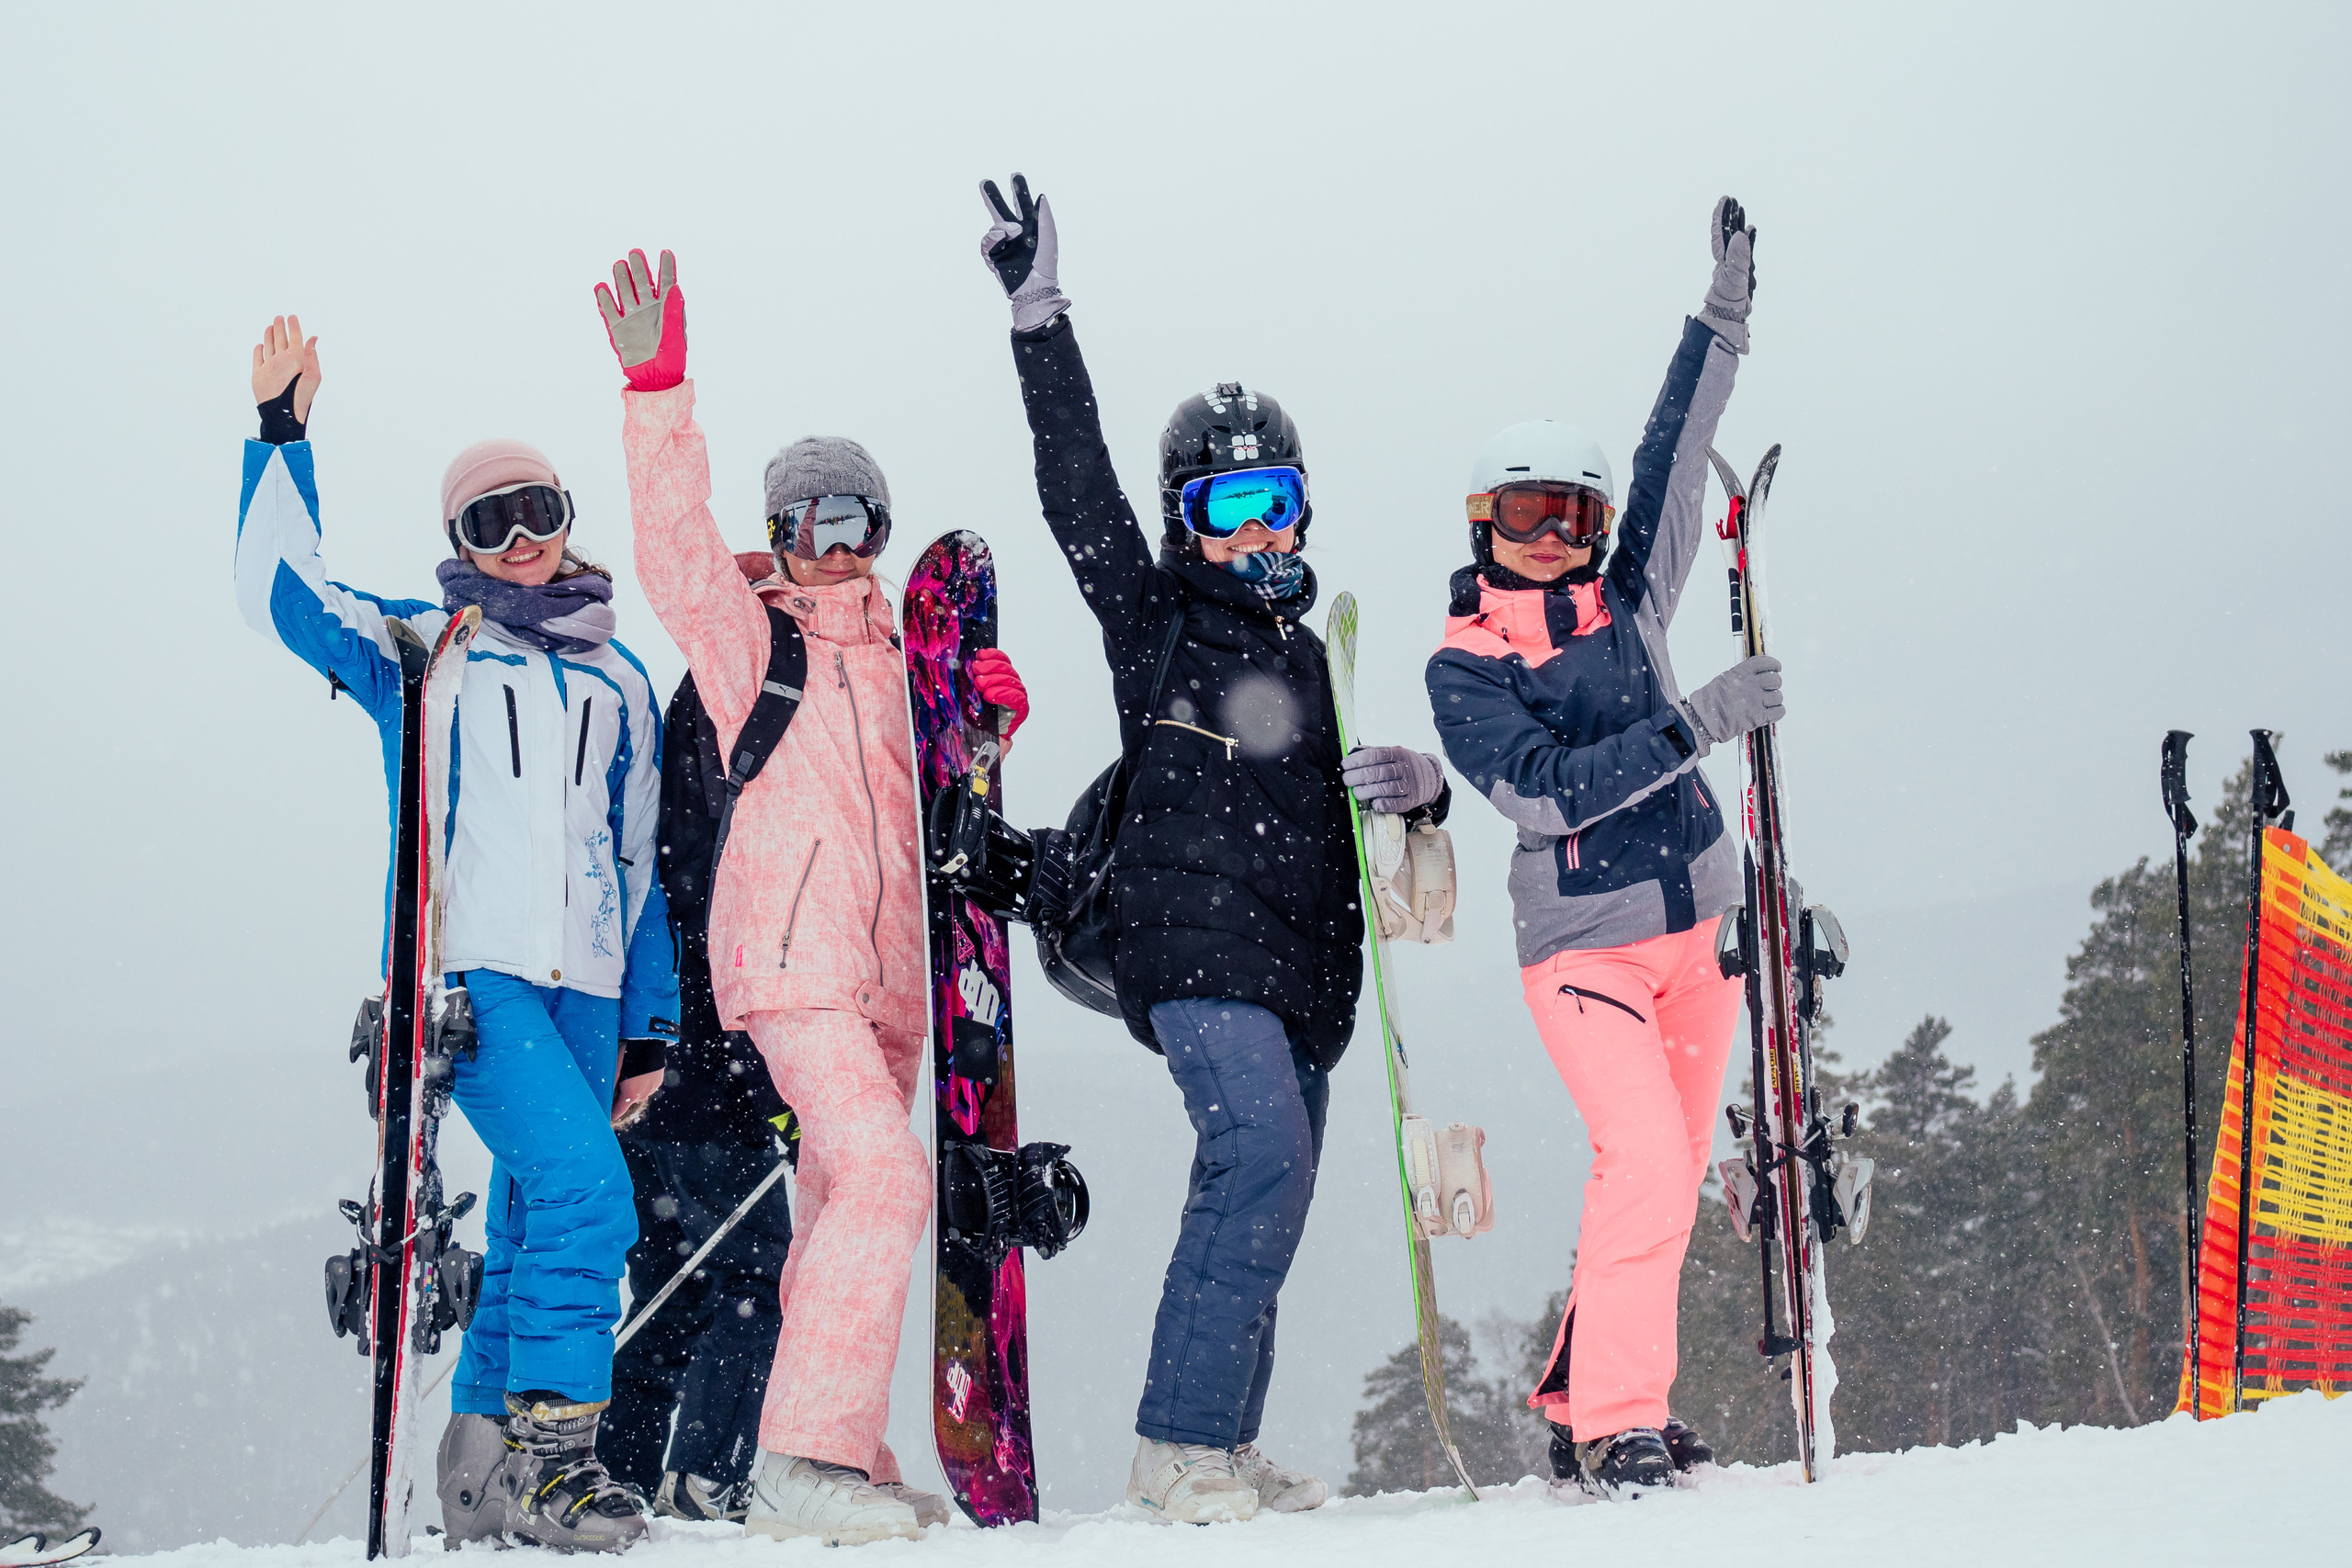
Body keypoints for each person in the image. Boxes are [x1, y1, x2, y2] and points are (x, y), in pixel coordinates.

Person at [972, 175, 1449, 1524]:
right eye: (1230, 505)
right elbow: (1077, 492)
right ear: (1188, 518)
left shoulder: (1316, 653)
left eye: (1278, 501)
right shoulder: (1159, 621)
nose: (1259, 531)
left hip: (1303, 967)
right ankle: (1175, 1446)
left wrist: (1421, 787)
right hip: (1196, 951)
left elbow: (1364, 812)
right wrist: (1037, 316)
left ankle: (1224, 1442)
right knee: (1262, 1157)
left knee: (1267, 1186)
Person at [594, 249, 1032, 1545]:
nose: (836, 548)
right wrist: (658, 390)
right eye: (811, 523)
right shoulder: (756, 643)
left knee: (850, 1203)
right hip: (790, 964)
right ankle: (799, 1455)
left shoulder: (910, 661)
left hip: (896, 973)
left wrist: (991, 713)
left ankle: (846, 1447)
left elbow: (949, 790)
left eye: (859, 524)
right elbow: (675, 552)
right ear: (781, 534)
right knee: (892, 1181)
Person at [232, 317, 673, 1551]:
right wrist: (281, 435)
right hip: (469, 979)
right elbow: (281, 592)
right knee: (590, 1192)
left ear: (568, 515)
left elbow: (639, 864)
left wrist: (648, 1019)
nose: (523, 542)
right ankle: (558, 1464)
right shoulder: (426, 653)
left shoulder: (621, 679)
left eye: (537, 510)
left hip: (586, 984)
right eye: (490, 524)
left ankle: (481, 1466)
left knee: (540, 1206)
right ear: (459, 546)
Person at [1422, 198, 1778, 1498]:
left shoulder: (1630, 598)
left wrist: (1722, 316)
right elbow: (1544, 793)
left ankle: (1587, 1377)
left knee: (1669, 1173)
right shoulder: (1465, 661)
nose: (1554, 537)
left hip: (1703, 926)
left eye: (1573, 515)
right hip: (1585, 944)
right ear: (1484, 525)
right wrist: (1696, 722)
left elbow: (1675, 454)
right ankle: (1616, 1417)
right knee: (1640, 1153)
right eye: (1527, 516)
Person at [602, 660, 803, 1523]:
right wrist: (772, 1083)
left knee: (669, 1283)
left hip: (652, 1060)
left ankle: (623, 1469)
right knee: (757, 1278)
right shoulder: (740, 716)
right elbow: (715, 904)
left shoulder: (698, 712)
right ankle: (704, 1474)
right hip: (711, 1068)